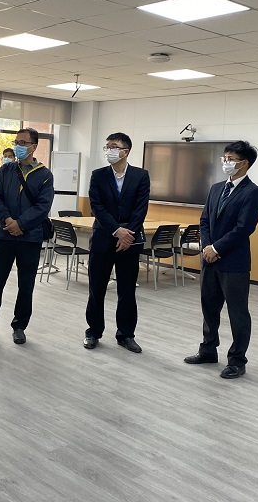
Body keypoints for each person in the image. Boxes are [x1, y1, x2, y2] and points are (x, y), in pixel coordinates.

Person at [184, 141, 258, 379]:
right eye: (225, 158)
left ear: (244, 163)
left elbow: (244, 228)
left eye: (231, 159)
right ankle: (208, 350)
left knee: (238, 313)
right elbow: (204, 220)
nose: (226, 162)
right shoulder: (216, 188)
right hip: (209, 259)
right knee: (209, 308)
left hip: (234, 262)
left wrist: (217, 248)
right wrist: (207, 247)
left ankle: (237, 360)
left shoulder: (253, 192)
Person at [0, 128, 54, 344]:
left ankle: (19, 325)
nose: (18, 146)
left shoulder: (45, 175)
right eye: (16, 142)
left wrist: (21, 224)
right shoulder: (3, 171)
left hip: (30, 237)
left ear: (34, 146)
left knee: (26, 284)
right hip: (4, 235)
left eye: (23, 142)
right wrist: (9, 221)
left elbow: (43, 206)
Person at [83, 133, 150, 353]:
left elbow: (141, 208)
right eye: (107, 146)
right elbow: (97, 207)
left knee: (127, 290)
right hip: (103, 237)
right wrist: (116, 230)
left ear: (125, 151)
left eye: (114, 146)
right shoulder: (98, 175)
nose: (109, 150)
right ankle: (93, 332)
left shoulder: (141, 175)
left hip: (130, 240)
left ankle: (126, 334)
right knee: (97, 288)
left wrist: (127, 234)